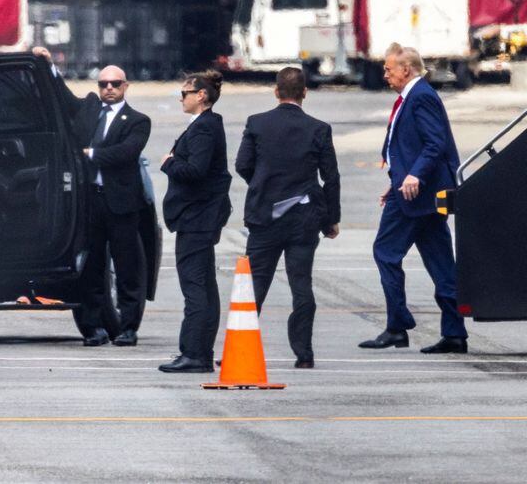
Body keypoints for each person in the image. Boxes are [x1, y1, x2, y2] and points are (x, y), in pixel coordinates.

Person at [32, 46, 150, 347]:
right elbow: (63, 98)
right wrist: (49, 67)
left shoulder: (138, 120)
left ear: (125, 87)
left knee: (126, 268)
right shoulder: (89, 108)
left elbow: (125, 153)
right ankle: (93, 327)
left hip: (121, 205)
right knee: (91, 267)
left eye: (114, 84)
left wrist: (90, 154)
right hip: (90, 202)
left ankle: (128, 327)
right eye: (103, 84)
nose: (108, 88)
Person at [358, 43, 468, 353]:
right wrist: (397, 179)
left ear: (406, 70)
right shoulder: (415, 96)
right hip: (421, 193)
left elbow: (435, 144)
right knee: (441, 263)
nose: (385, 74)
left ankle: (397, 326)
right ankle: (455, 333)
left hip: (417, 194)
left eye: (389, 69)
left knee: (385, 252)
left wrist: (413, 176)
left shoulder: (420, 97)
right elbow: (412, 146)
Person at [235, 67, 341, 369]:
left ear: (276, 91)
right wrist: (331, 218)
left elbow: (243, 164)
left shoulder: (257, 123)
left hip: (264, 217)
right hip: (303, 219)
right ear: (304, 92)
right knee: (301, 285)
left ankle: (241, 344)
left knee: (254, 286)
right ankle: (303, 352)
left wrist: (262, 185)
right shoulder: (319, 129)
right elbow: (330, 177)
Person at [158, 70, 231, 373]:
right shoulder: (206, 125)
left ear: (201, 95)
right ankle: (199, 351)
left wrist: (170, 163)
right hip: (200, 218)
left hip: (197, 218)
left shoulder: (203, 128)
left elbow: (197, 171)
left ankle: (194, 353)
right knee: (204, 285)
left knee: (195, 286)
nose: (181, 98)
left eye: (185, 93)